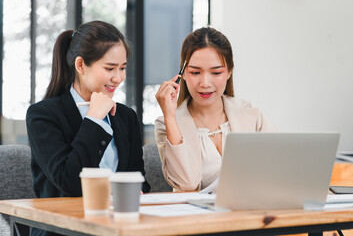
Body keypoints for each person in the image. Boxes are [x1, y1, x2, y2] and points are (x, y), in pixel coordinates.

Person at [26, 21, 150, 235]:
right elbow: (70, 182)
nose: (118, 78)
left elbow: (138, 179)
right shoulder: (43, 115)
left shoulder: (125, 116)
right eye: (110, 68)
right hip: (64, 229)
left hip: (118, 226)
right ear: (81, 65)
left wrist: (136, 191)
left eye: (122, 68)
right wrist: (94, 119)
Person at [155, 27, 276, 192]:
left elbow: (277, 170)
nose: (205, 83)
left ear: (229, 72)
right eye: (195, 72)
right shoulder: (166, 123)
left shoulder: (251, 114)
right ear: (182, 74)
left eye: (216, 72)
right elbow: (187, 184)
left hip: (249, 211)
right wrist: (170, 116)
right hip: (197, 215)